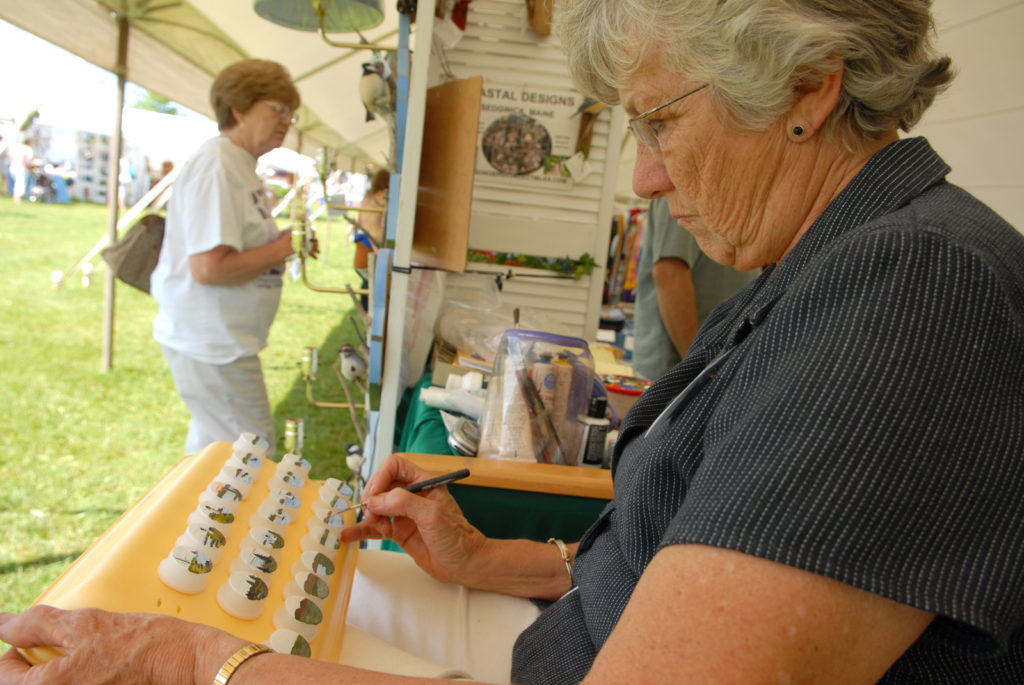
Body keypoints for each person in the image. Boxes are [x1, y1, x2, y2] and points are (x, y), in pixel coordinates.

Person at [3, 1, 1024, 683]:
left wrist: (208, 668)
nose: (644, 181)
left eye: (659, 123)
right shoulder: (848, 260)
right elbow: (687, 561)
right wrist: (493, 558)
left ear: (807, 90)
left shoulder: (918, 288)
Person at [149, 59, 300, 458]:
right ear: (240, 109)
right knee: (248, 459)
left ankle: (190, 521)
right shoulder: (219, 164)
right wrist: (282, 248)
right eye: (278, 109)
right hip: (212, 341)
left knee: (213, 457)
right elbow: (209, 268)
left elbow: (237, 248)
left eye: (291, 112)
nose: (287, 120)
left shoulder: (239, 164)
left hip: (220, 339)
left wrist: (282, 244)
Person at [632, 195, 758, 380]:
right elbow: (669, 275)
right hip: (679, 372)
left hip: (707, 363)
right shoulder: (682, 188)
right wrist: (697, 368)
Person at [353, 168, 389, 311]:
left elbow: (360, 219)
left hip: (363, 244)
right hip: (377, 247)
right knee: (375, 289)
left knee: (367, 285)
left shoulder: (368, 196)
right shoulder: (385, 198)